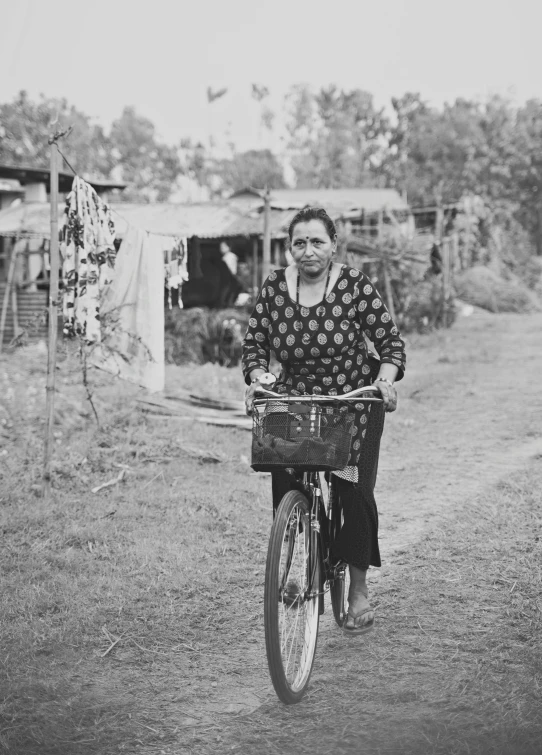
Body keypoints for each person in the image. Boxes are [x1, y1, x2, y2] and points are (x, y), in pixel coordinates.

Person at [242, 206, 406, 635]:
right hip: (298, 402)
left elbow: (390, 345)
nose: (308, 250)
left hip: (354, 401)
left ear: (333, 245)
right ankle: (299, 552)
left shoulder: (353, 285)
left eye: (317, 241)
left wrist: (385, 382)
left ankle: (358, 589)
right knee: (283, 471)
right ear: (290, 247)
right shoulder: (276, 287)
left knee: (353, 490)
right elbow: (255, 346)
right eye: (299, 242)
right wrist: (259, 376)